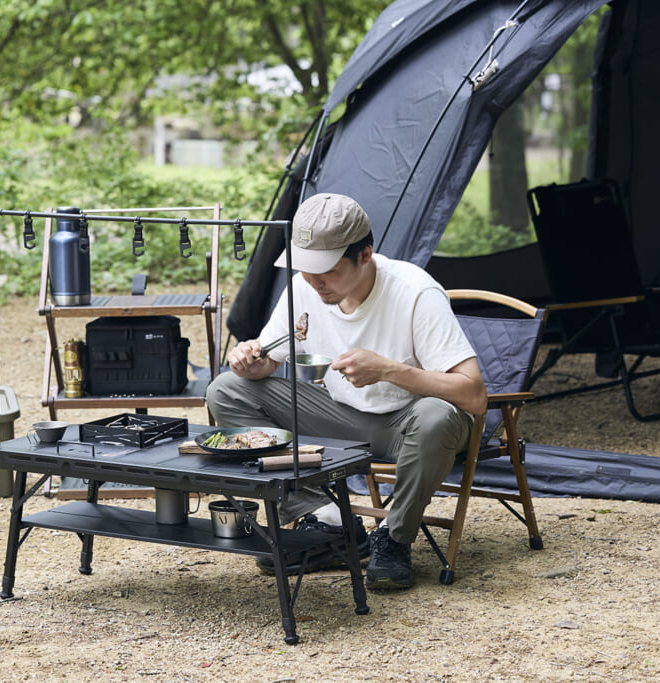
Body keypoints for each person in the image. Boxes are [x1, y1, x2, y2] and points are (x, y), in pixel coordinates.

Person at [205, 193, 487, 589]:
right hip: (340, 415)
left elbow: (474, 395)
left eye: (329, 271)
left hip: (411, 423)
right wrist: (250, 359)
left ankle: (394, 538)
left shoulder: (415, 292)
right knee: (227, 390)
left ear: (365, 254)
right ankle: (329, 520)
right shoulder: (305, 288)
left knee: (437, 415)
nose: (315, 281)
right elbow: (270, 360)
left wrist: (388, 370)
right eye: (306, 269)